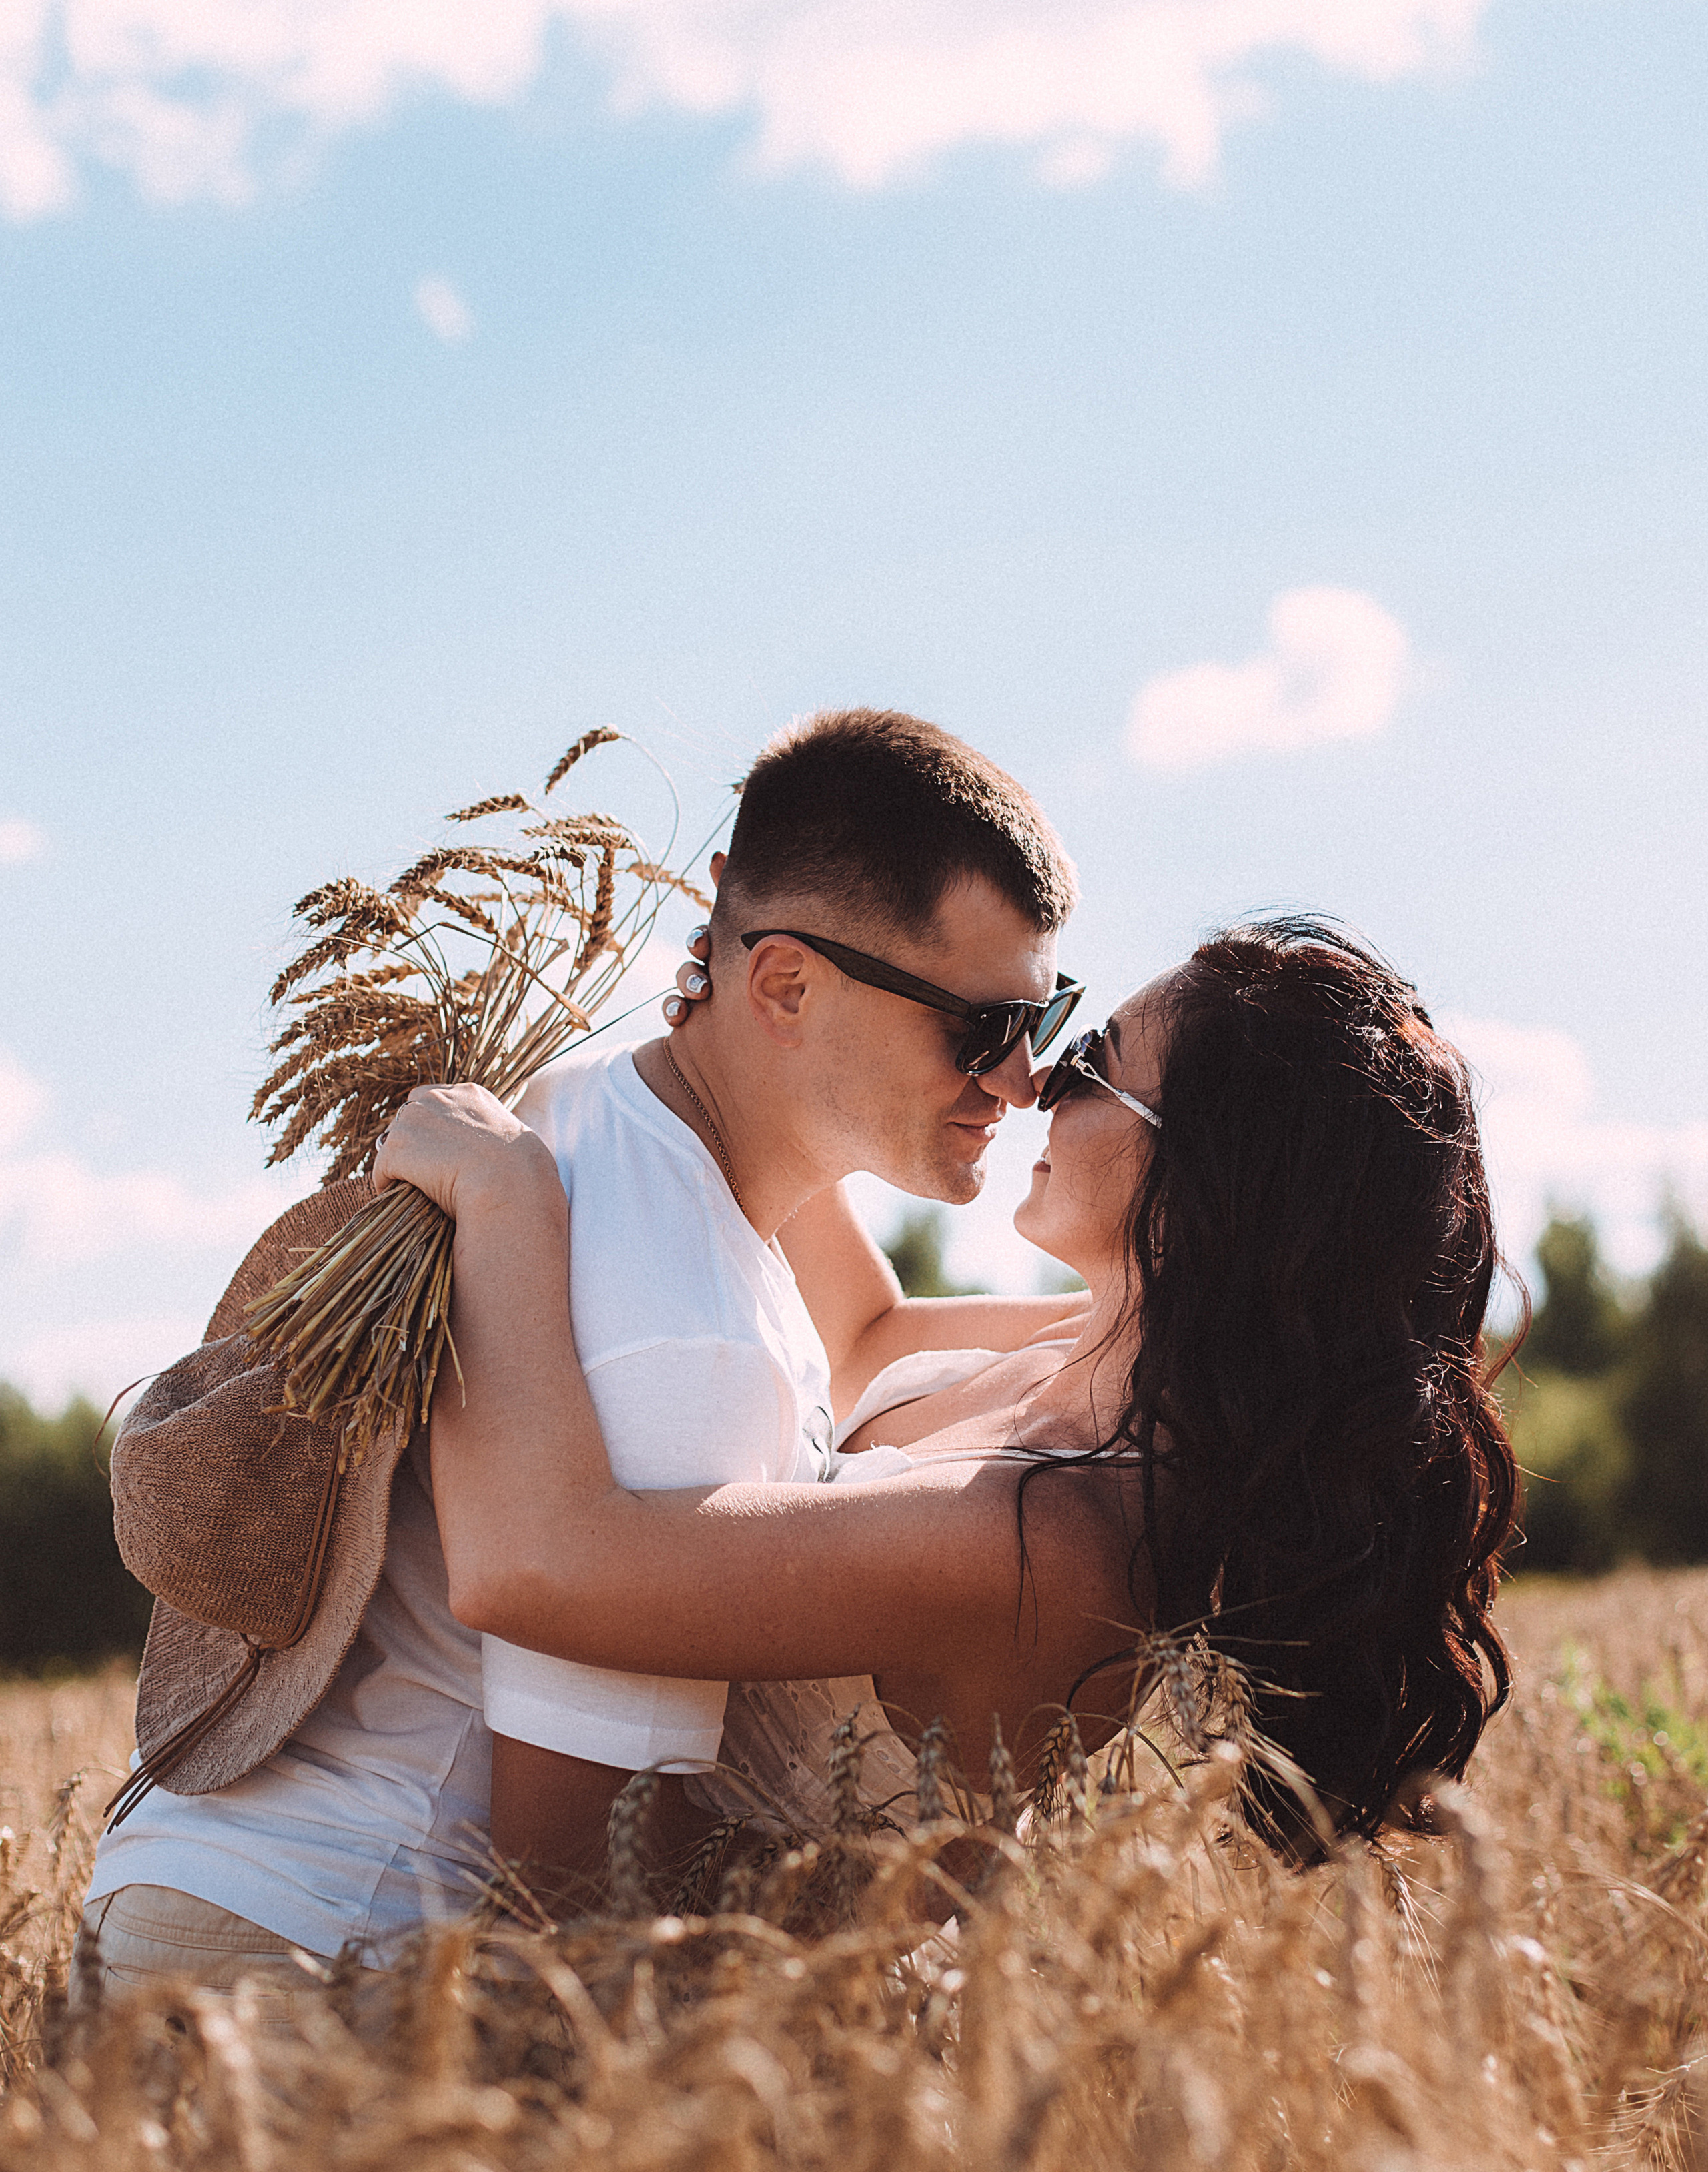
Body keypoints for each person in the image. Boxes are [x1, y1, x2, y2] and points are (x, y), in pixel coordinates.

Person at [74, 708, 1087, 2003]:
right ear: (782, 983)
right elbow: (567, 1896)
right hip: (304, 1972)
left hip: (199, 1898)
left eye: (1045, 1013)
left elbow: (869, 1335)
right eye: (980, 1029)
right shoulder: (687, 1330)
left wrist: (1168, 1327)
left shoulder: (599, 1117)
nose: (1019, 1081)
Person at [380, 919, 1522, 1858]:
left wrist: (505, 1200)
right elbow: (865, 1332)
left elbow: (535, 1565)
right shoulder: (1096, 1348)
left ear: (1201, 1186)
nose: (1028, 1088)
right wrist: (751, 1041)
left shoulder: (1052, 1536)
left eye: (1086, 1065)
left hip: (687, 2040)